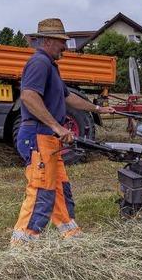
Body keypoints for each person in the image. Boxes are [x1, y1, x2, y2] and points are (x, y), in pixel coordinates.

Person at [10, 18, 115, 247]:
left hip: (48, 138)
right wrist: (58, 126)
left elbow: (69, 98)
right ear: (47, 41)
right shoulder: (39, 63)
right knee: (41, 189)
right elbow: (28, 96)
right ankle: (22, 246)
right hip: (38, 135)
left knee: (59, 186)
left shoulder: (51, 66)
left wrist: (97, 108)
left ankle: (71, 235)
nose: (65, 48)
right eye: (61, 43)